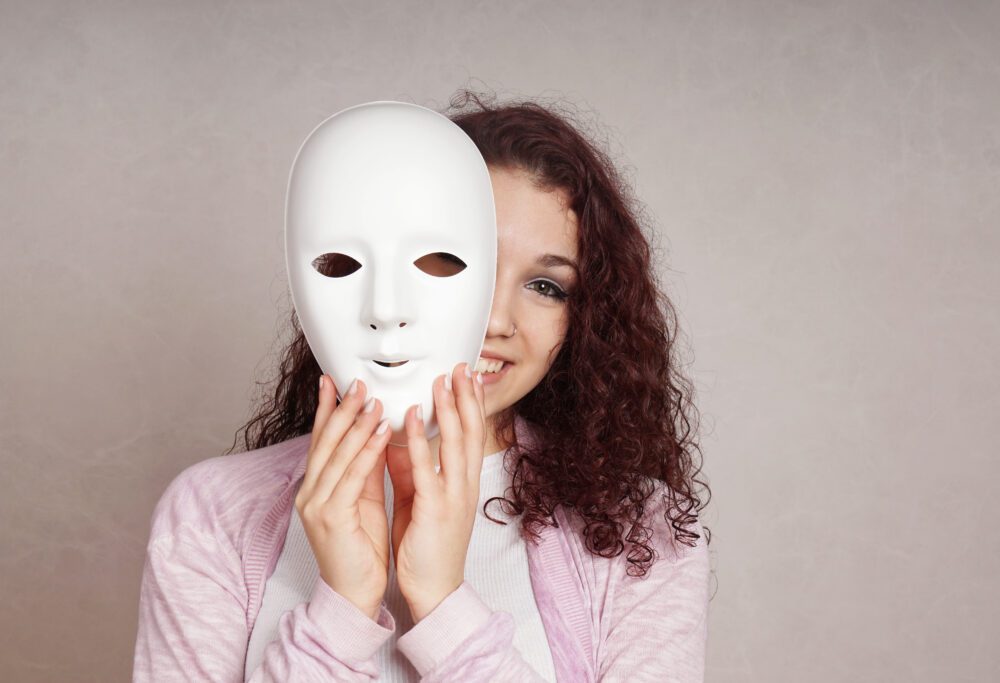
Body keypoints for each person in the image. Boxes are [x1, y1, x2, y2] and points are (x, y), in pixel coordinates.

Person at [132, 90, 714, 682]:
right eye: (458, 262)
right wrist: (341, 612)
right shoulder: (214, 512)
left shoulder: (641, 530)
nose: (495, 322)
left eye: (546, 285)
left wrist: (442, 605)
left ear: (582, 318)